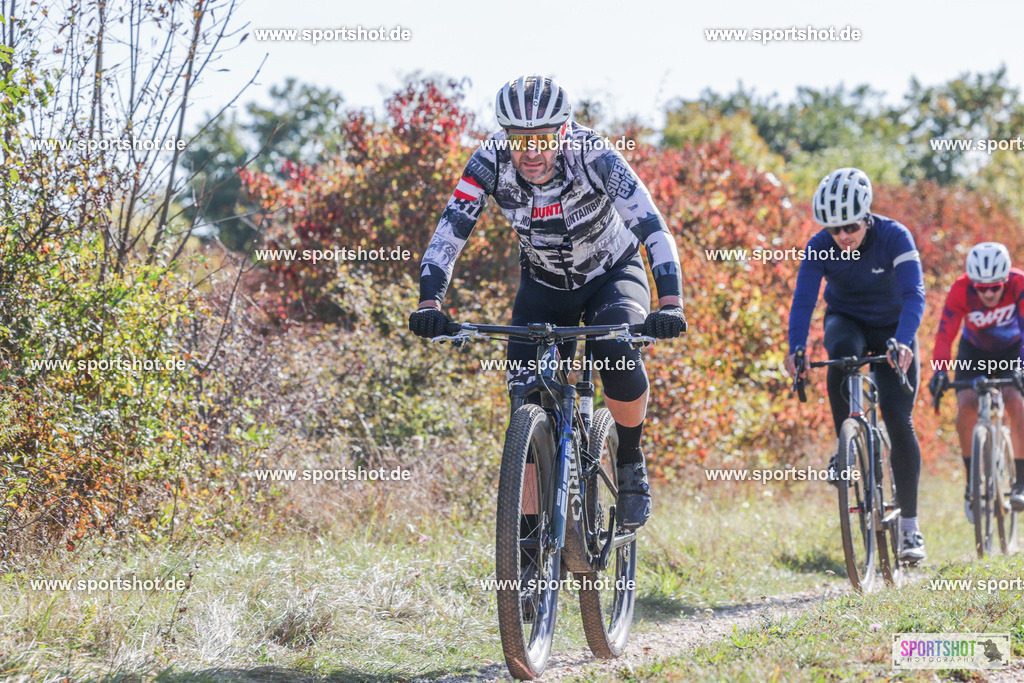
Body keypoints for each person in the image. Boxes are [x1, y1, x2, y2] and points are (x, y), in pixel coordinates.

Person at [408, 75, 686, 529]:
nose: (530, 151)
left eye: (541, 138)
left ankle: (631, 462)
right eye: (519, 139)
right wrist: (429, 303)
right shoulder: (488, 160)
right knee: (526, 394)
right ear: (505, 135)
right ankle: (532, 533)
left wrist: (670, 302)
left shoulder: (594, 154)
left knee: (615, 354)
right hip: (544, 285)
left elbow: (652, 225)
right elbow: (449, 232)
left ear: (562, 132)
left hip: (612, 274)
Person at [785, 167, 928, 563]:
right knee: (840, 358)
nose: (843, 236)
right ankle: (845, 443)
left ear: (866, 216)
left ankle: (910, 528)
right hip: (846, 318)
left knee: (899, 419)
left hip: (894, 328)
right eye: (835, 229)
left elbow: (915, 295)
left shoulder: (894, 236)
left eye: (850, 226)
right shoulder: (819, 247)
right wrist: (796, 348)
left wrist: (902, 340)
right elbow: (803, 302)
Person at [928, 242, 1024, 519]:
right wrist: (940, 371)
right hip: (974, 351)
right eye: (982, 288)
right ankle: (972, 484)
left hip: (1012, 350)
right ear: (973, 283)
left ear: (1006, 279)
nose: (990, 293)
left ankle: (1020, 482)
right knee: (966, 405)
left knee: (1015, 400)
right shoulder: (961, 289)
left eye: (996, 287)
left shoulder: (1018, 284)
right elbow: (945, 334)